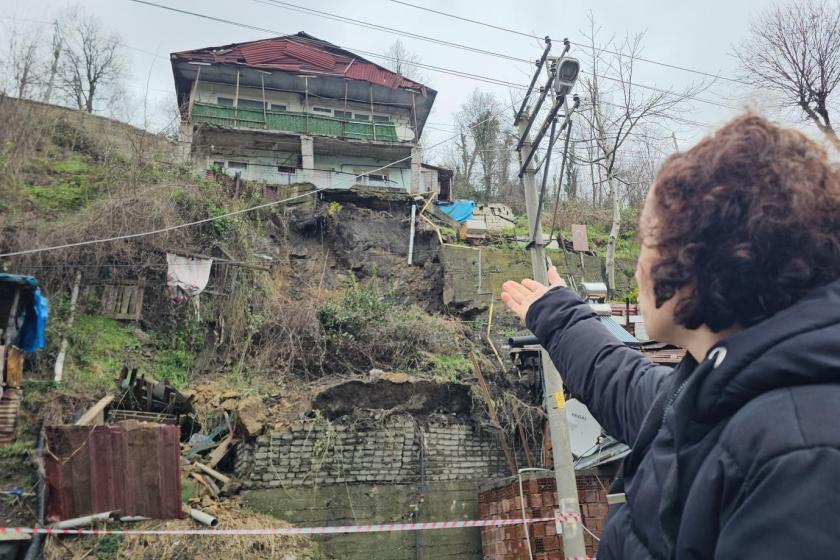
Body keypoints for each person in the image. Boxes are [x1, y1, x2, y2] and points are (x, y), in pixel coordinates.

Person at [501, 115, 840, 559]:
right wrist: (559, 314)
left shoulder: (801, 460)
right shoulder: (720, 397)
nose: (639, 266)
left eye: (649, 239)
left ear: (699, 256)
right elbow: (621, 381)